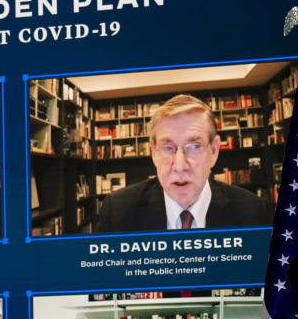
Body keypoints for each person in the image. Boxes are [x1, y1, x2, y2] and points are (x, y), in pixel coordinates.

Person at [96, 94, 267, 232]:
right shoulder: (117, 213)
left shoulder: (251, 211)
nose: (180, 166)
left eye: (194, 146)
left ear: (213, 151)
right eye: (168, 147)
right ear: (153, 152)